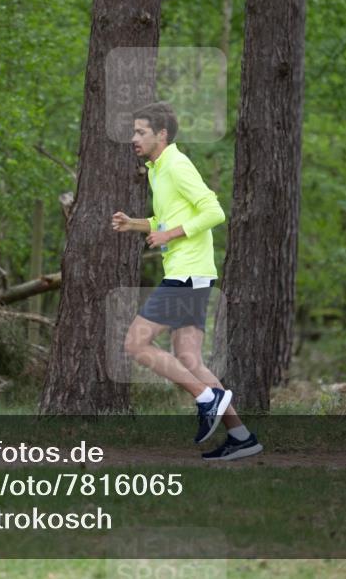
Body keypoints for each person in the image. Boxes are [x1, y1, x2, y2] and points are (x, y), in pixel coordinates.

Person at [112, 101, 262, 461]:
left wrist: (171, 235)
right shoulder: (157, 169)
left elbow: (214, 211)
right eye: (134, 132)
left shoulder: (177, 165)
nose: (134, 138)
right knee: (190, 359)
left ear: (160, 135)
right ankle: (241, 436)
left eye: (140, 132)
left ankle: (207, 398)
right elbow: (169, 218)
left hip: (186, 272)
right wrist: (136, 224)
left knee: (135, 344)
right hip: (190, 272)